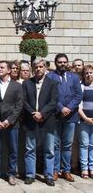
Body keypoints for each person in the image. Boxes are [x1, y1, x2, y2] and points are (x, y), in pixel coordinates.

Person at [22, 59, 58, 186]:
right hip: (31, 120)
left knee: (49, 150)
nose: (38, 69)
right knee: (30, 149)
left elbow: (53, 102)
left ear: (45, 68)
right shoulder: (27, 83)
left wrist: (42, 114)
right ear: (33, 69)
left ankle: (48, 175)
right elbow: (24, 101)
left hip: (47, 121)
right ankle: (30, 175)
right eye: (36, 67)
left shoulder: (53, 83)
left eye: (41, 67)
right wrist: (33, 113)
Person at [46, 53, 82, 182]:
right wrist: (61, 108)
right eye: (60, 62)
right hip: (55, 116)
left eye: (64, 62)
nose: (62, 64)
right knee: (55, 145)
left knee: (67, 145)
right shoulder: (50, 76)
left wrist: (69, 108)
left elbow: (78, 95)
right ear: (56, 63)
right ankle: (55, 170)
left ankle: (66, 171)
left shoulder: (74, 77)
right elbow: (50, 96)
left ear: (68, 63)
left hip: (71, 116)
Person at [0, 60, 23, 185]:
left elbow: (19, 106)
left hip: (12, 124)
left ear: (9, 70)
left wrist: (9, 120)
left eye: (2, 67)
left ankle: (11, 174)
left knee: (13, 150)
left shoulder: (17, 86)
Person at [78, 65, 93, 179]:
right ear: (83, 75)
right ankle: (84, 168)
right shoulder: (81, 87)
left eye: (91, 73)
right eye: (86, 73)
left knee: (92, 145)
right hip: (83, 120)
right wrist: (85, 118)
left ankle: (91, 167)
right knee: (84, 145)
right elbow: (78, 106)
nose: (89, 75)